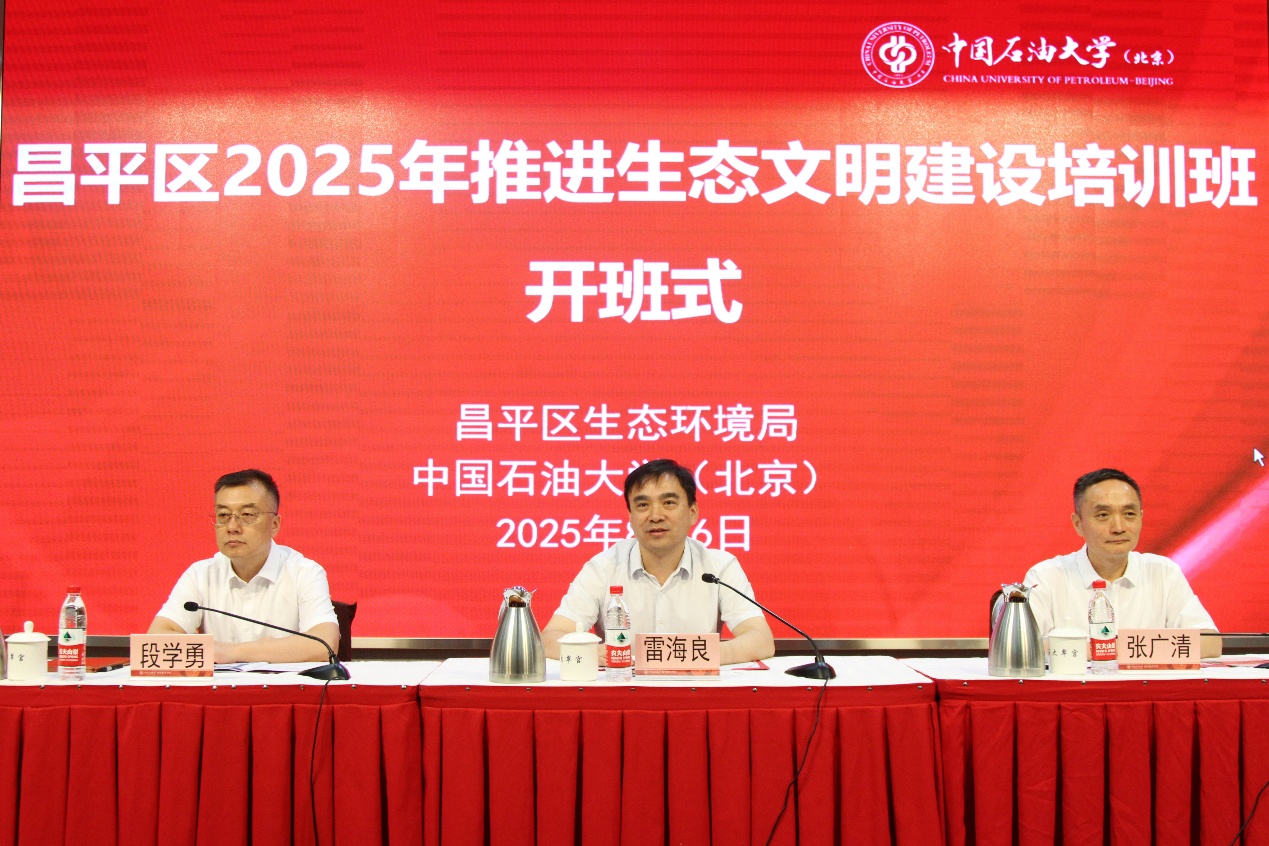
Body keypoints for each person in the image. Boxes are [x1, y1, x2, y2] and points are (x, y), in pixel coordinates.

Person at [542, 459, 775, 665]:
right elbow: (551, 638)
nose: (655, 516)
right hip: (624, 690)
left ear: (692, 512)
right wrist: (587, 653)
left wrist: (694, 656)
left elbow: (760, 640)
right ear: (630, 517)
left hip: (697, 692)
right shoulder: (603, 568)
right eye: (643, 505)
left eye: (669, 503)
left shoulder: (719, 567)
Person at [148, 469, 340, 664]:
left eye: (247, 514)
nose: (232, 527)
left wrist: (229, 652)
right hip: (221, 684)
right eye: (223, 515)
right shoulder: (200, 575)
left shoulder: (304, 572)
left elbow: (324, 644)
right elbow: (156, 639)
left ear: (274, 524)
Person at [1024, 468, 1220, 657]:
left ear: (1141, 518)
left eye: (1129, 514)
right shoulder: (1046, 578)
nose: (1118, 527)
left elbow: (1210, 643)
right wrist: (1120, 649)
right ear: (1078, 524)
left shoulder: (1163, 573)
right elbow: (1023, 647)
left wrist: (1117, 648)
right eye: (1103, 515)